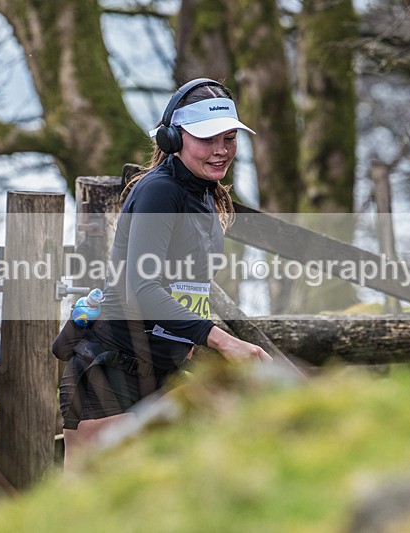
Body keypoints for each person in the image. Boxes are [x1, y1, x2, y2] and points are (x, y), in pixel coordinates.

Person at [54, 78, 272, 466]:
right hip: (112, 367)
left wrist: (187, 341)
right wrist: (221, 341)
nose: (221, 151)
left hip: (163, 366)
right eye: (207, 140)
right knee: (92, 501)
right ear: (174, 138)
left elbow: (185, 286)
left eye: (229, 139)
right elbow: (142, 288)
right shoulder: (160, 191)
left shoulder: (205, 193)